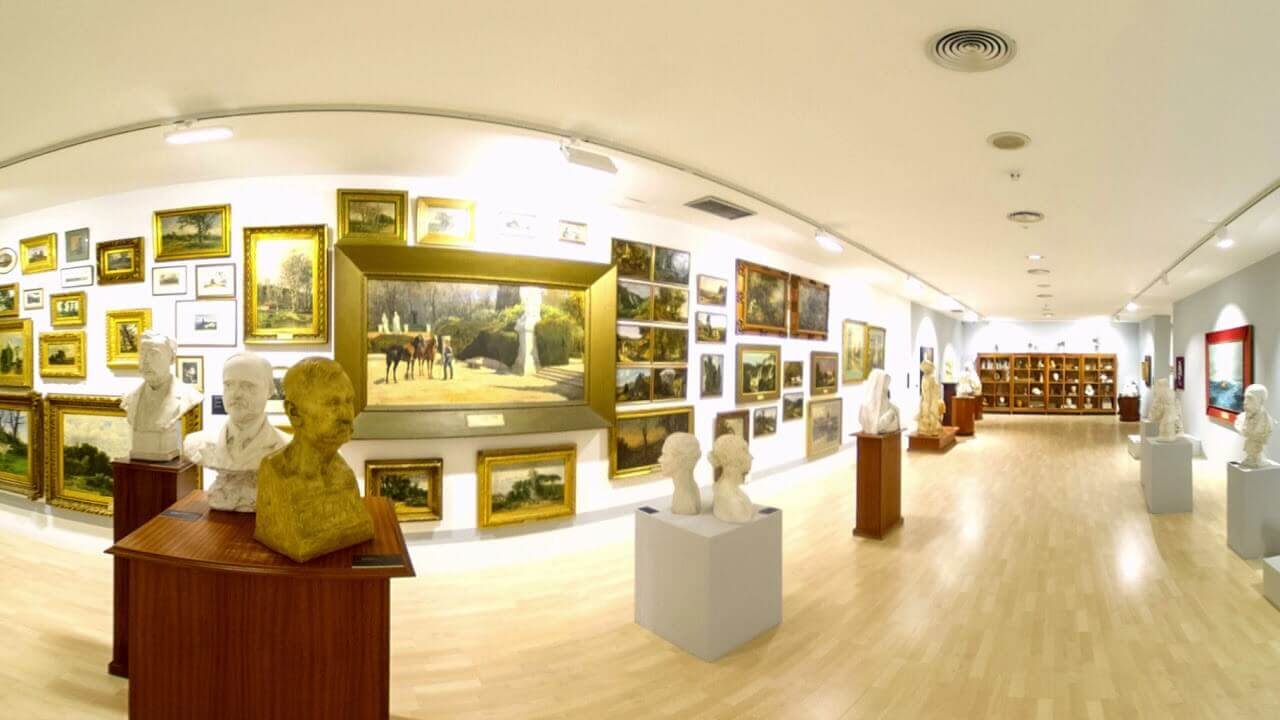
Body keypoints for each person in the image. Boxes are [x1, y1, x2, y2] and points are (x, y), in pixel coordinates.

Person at [254, 358, 373, 562]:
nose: (347, 415)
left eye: (349, 401)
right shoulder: (276, 473)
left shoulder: (344, 473)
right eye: (333, 403)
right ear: (294, 413)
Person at [183, 352, 287, 512]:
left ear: (270, 390)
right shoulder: (198, 442)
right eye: (229, 385)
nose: (236, 394)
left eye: (248, 386)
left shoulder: (287, 447)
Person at [121, 331, 202, 461]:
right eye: (142, 353)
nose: (145, 361)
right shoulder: (130, 397)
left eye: (154, 354)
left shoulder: (189, 396)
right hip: (138, 456)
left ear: (171, 359)